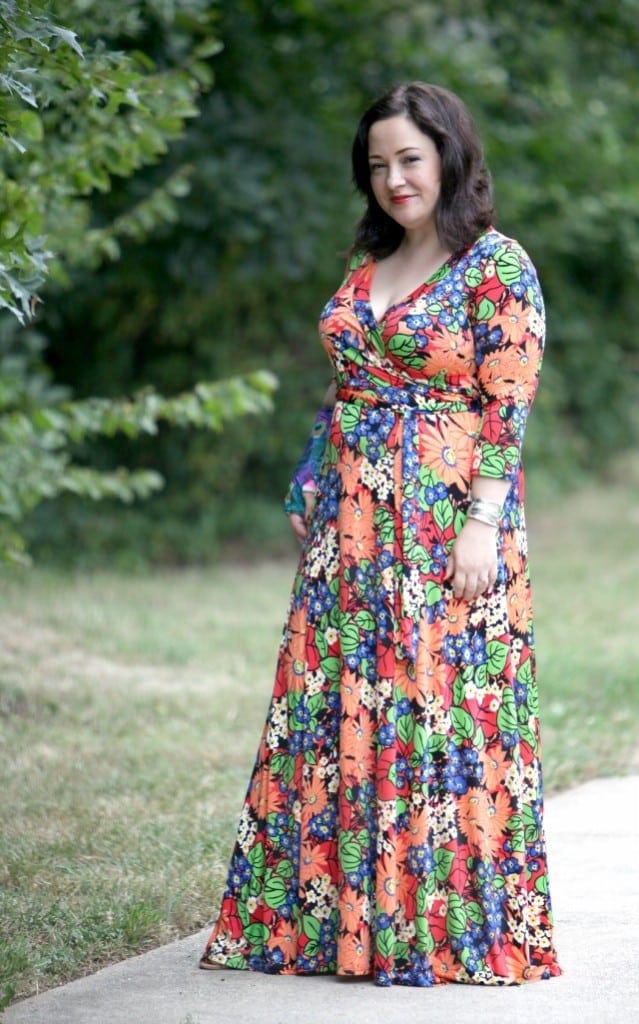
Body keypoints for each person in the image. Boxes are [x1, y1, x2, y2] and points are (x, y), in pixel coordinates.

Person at [200, 81, 562, 987]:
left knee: (437, 711)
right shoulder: (369, 265)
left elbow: (507, 405)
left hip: (446, 526)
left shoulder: (494, 265)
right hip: (351, 531)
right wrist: (308, 477)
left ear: (448, 156)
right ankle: (335, 928)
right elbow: (345, 390)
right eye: (377, 164)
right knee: (341, 707)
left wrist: (482, 524)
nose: (394, 178)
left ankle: (436, 931)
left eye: (409, 158)